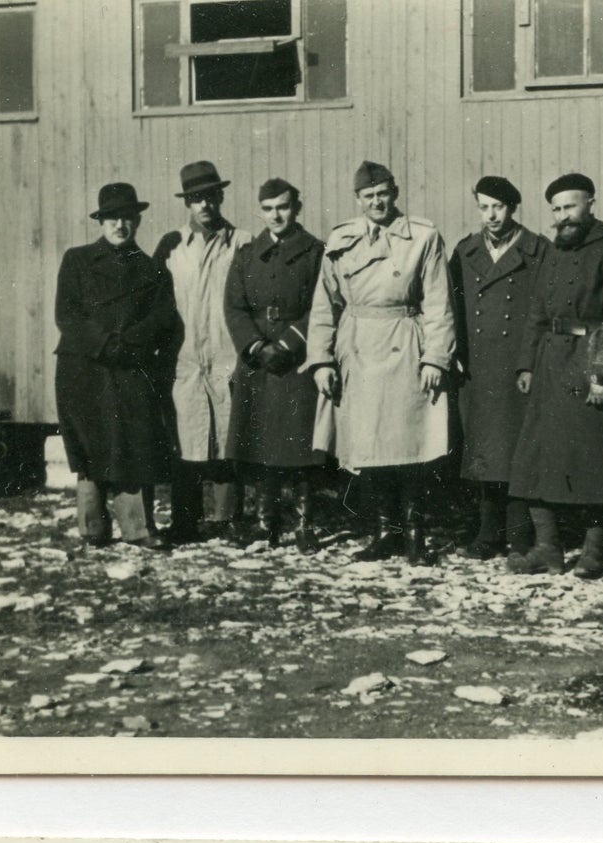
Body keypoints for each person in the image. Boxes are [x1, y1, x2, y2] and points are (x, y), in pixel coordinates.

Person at [305, 161, 456, 564]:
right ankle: (383, 531)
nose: (377, 202)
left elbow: (439, 303)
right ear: (357, 200)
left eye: (383, 194)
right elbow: (325, 304)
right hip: (356, 346)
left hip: (405, 343)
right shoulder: (341, 240)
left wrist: (435, 359)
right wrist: (320, 359)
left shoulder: (423, 236)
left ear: (395, 192)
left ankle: (414, 536)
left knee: (409, 446)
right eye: (368, 196)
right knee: (368, 446)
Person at [508, 174, 603, 580]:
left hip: (590, 365)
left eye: (570, 206)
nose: (563, 216)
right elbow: (535, 312)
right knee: (535, 461)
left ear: (591, 204)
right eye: (556, 209)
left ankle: (593, 553)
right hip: (551, 365)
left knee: (594, 463)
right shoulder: (551, 253)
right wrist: (526, 364)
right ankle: (547, 548)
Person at [53, 182, 181, 550]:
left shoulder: (151, 270)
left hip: (129, 365)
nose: (120, 225)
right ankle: (92, 526)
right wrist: (104, 343)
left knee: (133, 441)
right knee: (89, 444)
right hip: (84, 367)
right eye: (112, 218)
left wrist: (128, 345)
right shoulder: (76, 260)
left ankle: (138, 527)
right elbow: (68, 314)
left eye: (127, 217)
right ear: (101, 221)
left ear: (137, 220)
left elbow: (161, 318)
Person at [223, 178, 327, 551]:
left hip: (295, 359)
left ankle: (304, 525)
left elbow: (323, 305)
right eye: (267, 208)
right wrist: (254, 345)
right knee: (261, 443)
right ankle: (265, 522)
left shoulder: (316, 252)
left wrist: (287, 344)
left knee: (299, 446)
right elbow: (234, 306)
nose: (275, 215)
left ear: (297, 207)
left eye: (282, 207)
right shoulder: (247, 254)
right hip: (257, 361)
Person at [449, 176, 547, 559]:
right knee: (484, 452)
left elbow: (544, 310)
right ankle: (488, 533)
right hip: (477, 364)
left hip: (519, 364)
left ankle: (520, 536)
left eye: (499, 207)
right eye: (484, 207)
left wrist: (531, 361)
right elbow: (450, 304)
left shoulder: (538, 250)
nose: (491, 215)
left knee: (517, 452)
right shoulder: (465, 251)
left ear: (513, 208)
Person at [156, 160, 251, 542]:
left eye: (210, 196)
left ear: (220, 196)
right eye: (196, 199)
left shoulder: (242, 241)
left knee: (229, 439)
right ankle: (184, 520)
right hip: (186, 359)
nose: (204, 205)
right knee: (188, 440)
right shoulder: (173, 246)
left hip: (227, 356)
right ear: (187, 203)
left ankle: (227, 519)